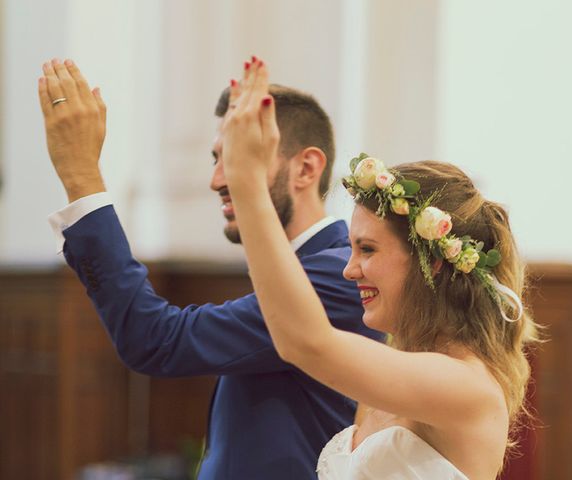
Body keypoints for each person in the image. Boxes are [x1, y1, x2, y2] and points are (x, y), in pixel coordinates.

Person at [38, 57, 383, 479]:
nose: (218, 179)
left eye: (236, 158)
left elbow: (156, 339)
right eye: (216, 158)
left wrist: (81, 178)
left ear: (306, 168)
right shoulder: (299, 270)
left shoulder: (338, 276)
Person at [222, 57, 540, 479]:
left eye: (367, 249)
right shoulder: (394, 367)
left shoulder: (466, 385)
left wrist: (247, 182)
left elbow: (306, 344)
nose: (349, 270)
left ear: (435, 262)